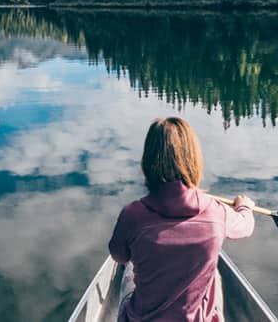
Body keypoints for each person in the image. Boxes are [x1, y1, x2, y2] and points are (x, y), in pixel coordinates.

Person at [107, 116, 255, 321]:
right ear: (194, 160)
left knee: (130, 268)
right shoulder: (216, 212)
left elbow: (119, 256)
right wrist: (245, 207)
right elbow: (246, 226)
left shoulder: (132, 215)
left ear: (148, 162)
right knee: (213, 275)